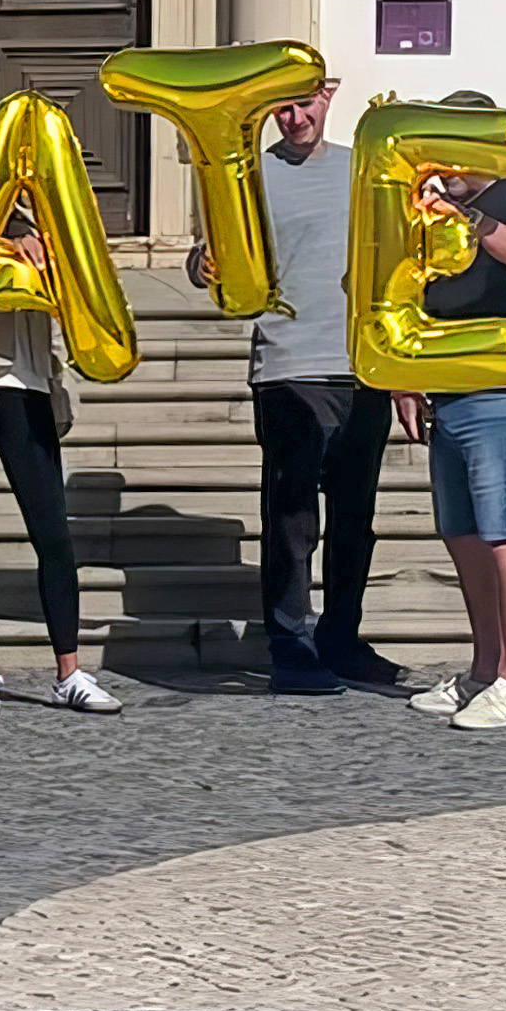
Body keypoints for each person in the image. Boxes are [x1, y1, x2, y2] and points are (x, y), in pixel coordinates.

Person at [191, 73, 403, 694]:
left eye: (304, 104)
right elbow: (211, 255)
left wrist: (407, 376)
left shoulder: (365, 169)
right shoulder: (249, 177)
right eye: (281, 108)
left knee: (354, 517)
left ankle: (340, 638)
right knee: (290, 518)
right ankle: (289, 645)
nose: (293, 118)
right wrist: (202, 265)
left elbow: (393, 258)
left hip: (363, 367)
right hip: (287, 366)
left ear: (328, 97)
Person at [0, 204, 123, 719]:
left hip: (31, 388)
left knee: (53, 533)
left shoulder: (60, 218)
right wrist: (8, 237)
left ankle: (70, 672)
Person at [399, 92, 506, 733]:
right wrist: (403, 381)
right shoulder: (434, 211)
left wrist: (473, 218)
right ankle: (484, 670)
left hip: (501, 396)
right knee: (463, 538)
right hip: (449, 394)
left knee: (504, 536)